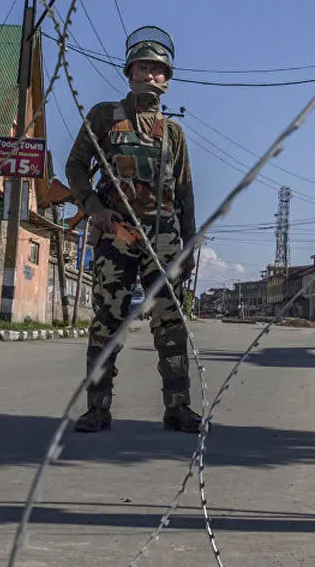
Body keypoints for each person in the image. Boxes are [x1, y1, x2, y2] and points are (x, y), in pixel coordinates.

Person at [64, 26, 201, 434]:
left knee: (170, 325)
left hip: (164, 236)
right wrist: (94, 208)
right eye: (144, 67)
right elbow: (75, 167)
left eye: (159, 70)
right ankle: (97, 408)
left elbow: (186, 193)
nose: (151, 76)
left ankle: (178, 407)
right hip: (116, 234)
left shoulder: (173, 133)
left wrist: (189, 246)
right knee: (108, 321)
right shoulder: (104, 116)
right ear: (130, 72)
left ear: (168, 80)